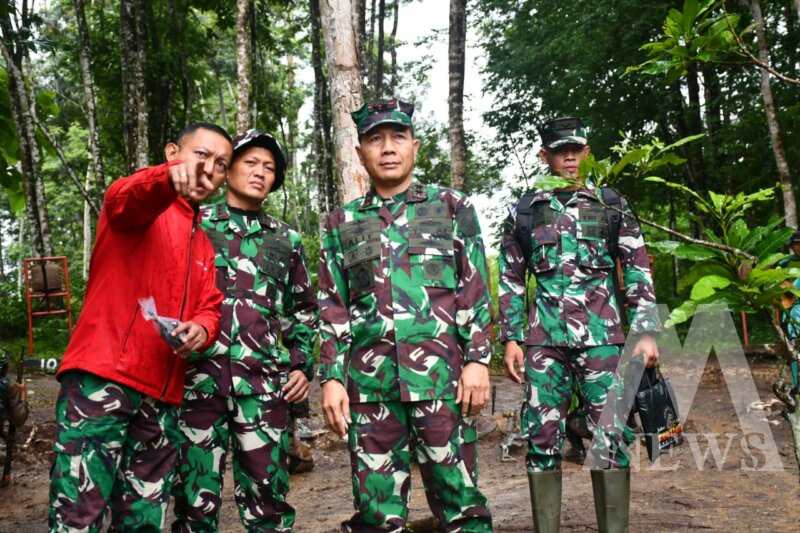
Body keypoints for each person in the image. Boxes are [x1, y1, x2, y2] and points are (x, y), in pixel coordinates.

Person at [317, 98, 494, 532]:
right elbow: (331, 305)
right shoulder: (341, 223)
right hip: (370, 389)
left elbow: (474, 288)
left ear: (415, 145)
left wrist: (477, 360)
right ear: (361, 153)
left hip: (442, 383)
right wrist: (332, 378)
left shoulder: (451, 206)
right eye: (375, 139)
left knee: (461, 503)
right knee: (378, 512)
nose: (388, 148)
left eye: (398, 137)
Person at [49, 123, 232, 531]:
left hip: (162, 400)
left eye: (221, 165)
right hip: (103, 383)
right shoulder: (141, 202)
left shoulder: (202, 242)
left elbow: (210, 308)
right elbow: (124, 197)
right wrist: (164, 179)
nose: (209, 170)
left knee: (144, 520)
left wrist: (202, 330)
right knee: (79, 515)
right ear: (172, 153)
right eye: (200, 155)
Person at [498, 117, 661, 532]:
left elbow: (637, 266)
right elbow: (512, 277)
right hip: (544, 343)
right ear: (545, 156)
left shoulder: (611, 204)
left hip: (604, 342)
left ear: (587, 153)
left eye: (576, 149)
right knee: (540, 438)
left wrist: (644, 332)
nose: (569, 157)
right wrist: (512, 338)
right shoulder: (525, 210)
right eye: (559, 150)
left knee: (611, 438)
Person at [170, 129, 317, 532]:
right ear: (228, 168)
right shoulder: (196, 223)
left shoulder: (286, 240)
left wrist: (302, 367)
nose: (259, 172)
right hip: (198, 383)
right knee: (194, 500)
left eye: (269, 168)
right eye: (250, 162)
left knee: (268, 500)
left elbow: (304, 309)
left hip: (264, 386)